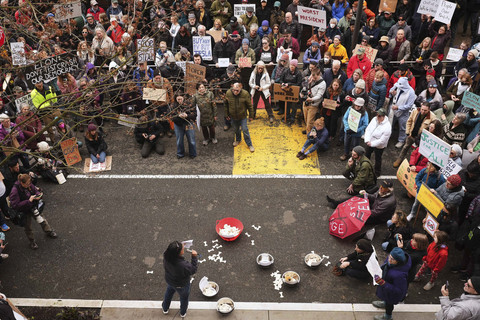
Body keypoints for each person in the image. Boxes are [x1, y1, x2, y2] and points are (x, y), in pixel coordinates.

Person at [9, 173, 57, 250]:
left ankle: (49, 231)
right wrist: (28, 201)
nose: (29, 185)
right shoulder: (15, 191)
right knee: (28, 227)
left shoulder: (28, 184)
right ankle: (32, 241)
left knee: (42, 220)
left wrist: (38, 195)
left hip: (33, 207)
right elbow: (15, 205)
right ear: (22, 183)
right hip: (24, 211)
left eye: (30, 183)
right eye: (28, 184)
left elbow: (35, 190)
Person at [372, 247, 411, 320]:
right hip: (387, 290)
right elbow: (386, 264)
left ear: (398, 261)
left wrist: (383, 283)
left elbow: (398, 291)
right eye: (389, 256)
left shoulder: (400, 275)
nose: (389, 260)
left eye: (392, 259)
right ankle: (384, 302)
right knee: (386, 299)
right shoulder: (392, 262)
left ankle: (388, 316)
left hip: (391, 294)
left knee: (389, 305)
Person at [393, 101, 436, 167]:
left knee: (414, 153)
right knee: (405, 148)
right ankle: (399, 160)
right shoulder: (415, 111)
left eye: (425, 110)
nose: (423, 111)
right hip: (411, 135)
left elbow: (432, 130)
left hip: (419, 139)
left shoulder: (432, 117)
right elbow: (409, 121)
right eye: (422, 109)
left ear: (429, 109)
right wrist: (407, 132)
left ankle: (410, 165)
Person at [161, 241, 198, 318]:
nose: (183, 249)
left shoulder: (166, 256)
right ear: (178, 253)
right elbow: (193, 269)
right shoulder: (183, 265)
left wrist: (179, 246)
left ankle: (165, 308)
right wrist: (194, 257)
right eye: (182, 249)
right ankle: (183, 312)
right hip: (182, 285)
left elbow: (171, 250)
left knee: (169, 293)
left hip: (170, 281)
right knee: (184, 298)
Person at [225, 83, 254, 152]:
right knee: (236, 129)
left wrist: (251, 116)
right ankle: (238, 140)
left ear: (241, 89)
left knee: (245, 130)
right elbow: (225, 105)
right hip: (233, 116)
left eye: (237, 90)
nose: (235, 92)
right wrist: (227, 115)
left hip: (242, 116)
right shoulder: (228, 93)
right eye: (234, 90)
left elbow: (250, 106)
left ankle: (249, 144)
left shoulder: (245, 94)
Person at [390, 77, 417, 149]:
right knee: (390, 123)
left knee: (403, 127)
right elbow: (391, 90)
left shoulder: (411, 92)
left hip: (403, 113)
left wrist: (398, 107)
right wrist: (392, 92)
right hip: (393, 109)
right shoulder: (398, 85)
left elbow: (409, 105)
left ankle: (401, 140)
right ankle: (389, 135)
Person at [364, 109, 391, 177]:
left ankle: (377, 172)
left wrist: (372, 144)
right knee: (367, 155)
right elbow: (368, 129)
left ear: (383, 116)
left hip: (379, 146)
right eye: (377, 115)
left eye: (379, 116)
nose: (377, 117)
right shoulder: (374, 119)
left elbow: (382, 140)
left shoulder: (387, 127)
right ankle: (365, 167)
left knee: (378, 158)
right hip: (370, 141)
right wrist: (367, 140)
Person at [172, 94, 197, 159]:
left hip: (188, 123)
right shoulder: (173, 105)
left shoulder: (190, 104)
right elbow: (171, 117)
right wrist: (178, 116)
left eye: (181, 99)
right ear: (176, 99)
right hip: (178, 124)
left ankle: (193, 153)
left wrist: (187, 116)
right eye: (178, 99)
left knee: (191, 140)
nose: (179, 101)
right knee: (179, 140)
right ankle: (180, 153)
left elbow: (194, 115)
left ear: (183, 98)